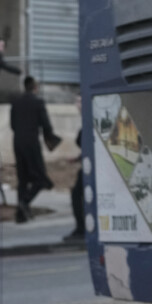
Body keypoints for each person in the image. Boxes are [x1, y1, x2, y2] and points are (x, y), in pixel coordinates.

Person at [10, 76, 57, 222]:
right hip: (32, 143)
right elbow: (46, 125)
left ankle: (20, 214)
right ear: (35, 88)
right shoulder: (38, 102)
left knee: (22, 178)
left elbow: (12, 124)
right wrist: (50, 138)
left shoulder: (16, 103)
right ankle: (24, 202)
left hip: (17, 142)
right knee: (40, 178)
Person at [65, 95, 86, 242]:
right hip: (87, 166)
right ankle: (81, 227)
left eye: (79, 101)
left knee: (77, 196)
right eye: (76, 101)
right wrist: (78, 157)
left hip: (93, 170)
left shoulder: (91, 121)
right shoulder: (86, 121)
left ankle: (81, 229)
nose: (77, 105)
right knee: (77, 195)